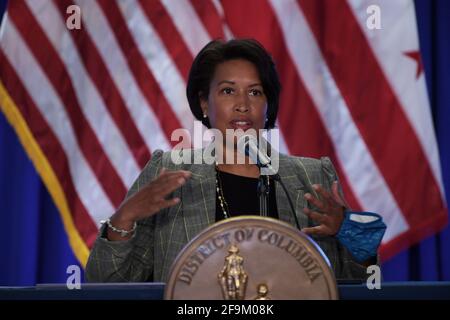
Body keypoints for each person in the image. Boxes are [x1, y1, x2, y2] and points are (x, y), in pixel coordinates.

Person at [86, 39, 385, 283]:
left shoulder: (311, 175)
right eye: (228, 91)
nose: (243, 105)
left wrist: (345, 229)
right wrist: (123, 219)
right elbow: (106, 284)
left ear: (268, 106)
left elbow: (363, 283)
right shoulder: (170, 172)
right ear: (204, 102)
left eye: (255, 92)